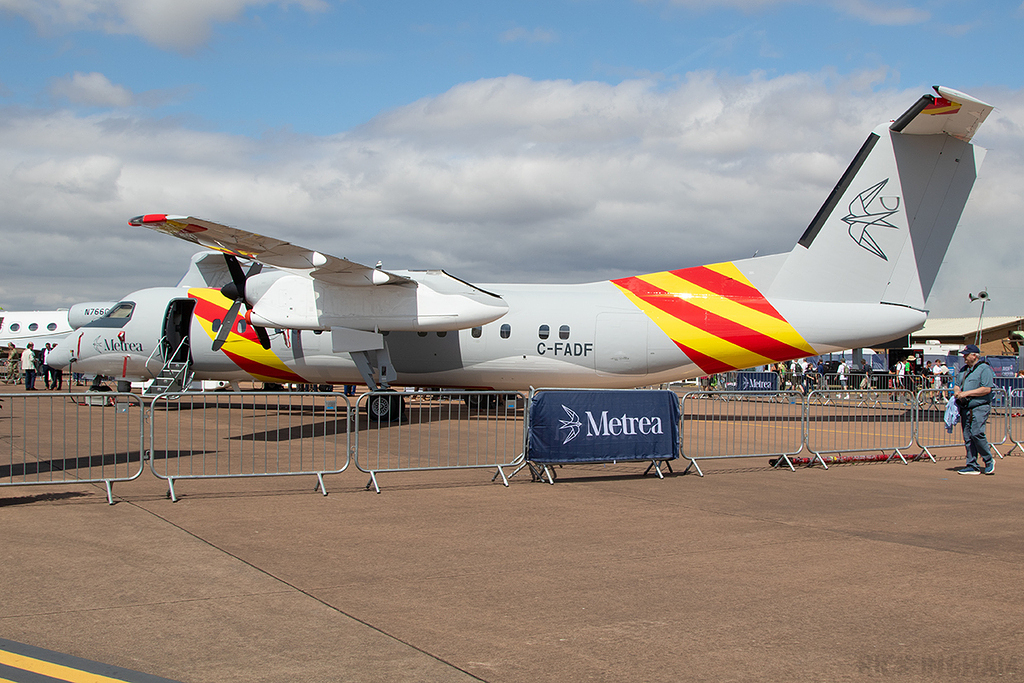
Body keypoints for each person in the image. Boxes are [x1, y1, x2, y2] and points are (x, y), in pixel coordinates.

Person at [954, 344, 996, 475]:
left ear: (974, 355)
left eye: (966, 355)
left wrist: (967, 393)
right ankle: (972, 464)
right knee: (968, 437)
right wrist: (957, 392)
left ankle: (988, 460)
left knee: (976, 433)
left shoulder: (984, 369)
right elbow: (957, 384)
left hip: (979, 406)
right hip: (965, 407)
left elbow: (986, 389)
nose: (964, 357)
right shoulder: (963, 370)